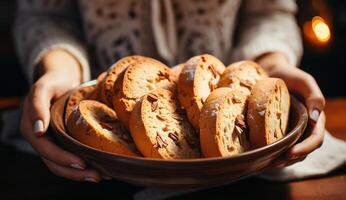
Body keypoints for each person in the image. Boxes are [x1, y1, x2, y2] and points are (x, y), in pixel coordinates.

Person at [5, 0, 325, 183]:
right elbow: (45, 14)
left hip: (241, 170)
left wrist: (271, 65)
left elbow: (268, 12)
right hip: (98, 163)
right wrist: (59, 70)